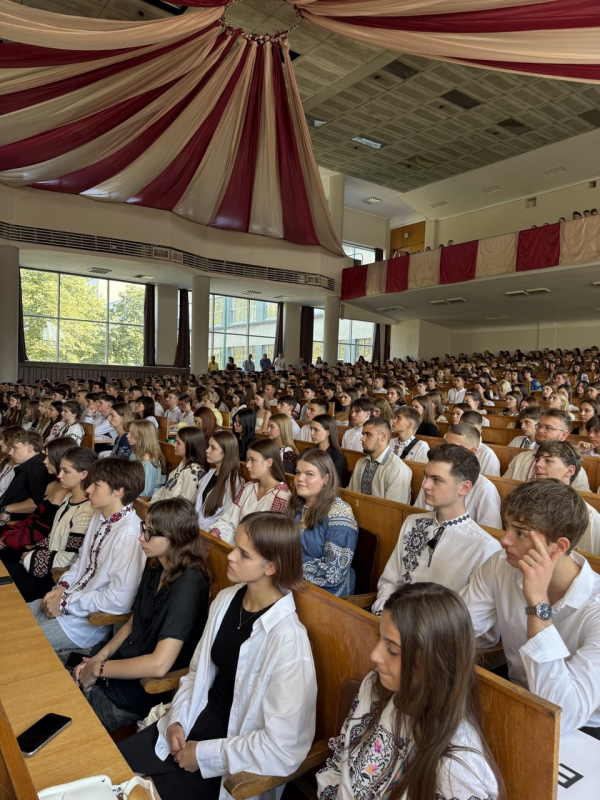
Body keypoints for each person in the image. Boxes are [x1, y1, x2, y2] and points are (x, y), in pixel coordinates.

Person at [118, 511, 316, 800]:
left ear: (271, 567)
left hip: (233, 752)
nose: (231, 556)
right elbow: (197, 673)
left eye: (243, 554)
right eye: (235, 546)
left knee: (138, 794)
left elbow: (282, 746)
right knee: (108, 769)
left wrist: (204, 755)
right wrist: (178, 721)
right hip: (195, 719)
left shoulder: (289, 640)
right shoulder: (226, 600)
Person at [317, 584, 503, 800]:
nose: (375, 655)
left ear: (434, 663)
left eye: (393, 650)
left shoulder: (457, 768)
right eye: (380, 637)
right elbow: (341, 762)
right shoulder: (374, 686)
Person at [461, 480, 600, 736]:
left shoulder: (596, 608)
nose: (504, 540)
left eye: (520, 533)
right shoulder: (501, 565)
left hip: (583, 729)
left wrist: (537, 603)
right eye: (507, 527)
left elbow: (563, 712)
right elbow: (460, 626)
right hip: (518, 698)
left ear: (559, 547)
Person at [75, 498, 210, 732]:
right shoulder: (158, 566)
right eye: (143, 529)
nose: (141, 538)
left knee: (66, 715)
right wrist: (101, 658)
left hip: (138, 692)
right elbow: (134, 621)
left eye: (150, 533)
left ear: (174, 538)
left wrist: (99, 669)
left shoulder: (189, 585)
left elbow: (159, 665)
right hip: (117, 670)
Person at [28, 458, 146, 660]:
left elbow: (119, 601)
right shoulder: (100, 516)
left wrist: (65, 603)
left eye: (96, 485)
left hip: (83, 626)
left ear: (118, 490)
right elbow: (81, 564)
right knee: (9, 618)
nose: (88, 489)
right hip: (68, 602)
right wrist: (60, 588)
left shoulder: (129, 534)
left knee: (17, 642)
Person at [373, 443, 501, 615]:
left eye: (437, 480)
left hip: (438, 636)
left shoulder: (484, 546)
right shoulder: (412, 523)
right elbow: (389, 581)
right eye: (426, 477)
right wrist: (384, 613)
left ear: (464, 488)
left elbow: (473, 618)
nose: (425, 485)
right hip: (395, 621)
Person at [6, 447, 97, 602]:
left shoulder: (86, 510)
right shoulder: (68, 499)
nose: (59, 475)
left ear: (83, 474)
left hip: (56, 577)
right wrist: (34, 551)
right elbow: (53, 537)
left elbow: (72, 556)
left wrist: (32, 557)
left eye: (66, 471)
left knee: (9, 580)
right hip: (46, 566)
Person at [289, 449, 358, 596]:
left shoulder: (340, 513)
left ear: (326, 478)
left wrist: (287, 558)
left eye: (309, 474)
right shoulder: (296, 505)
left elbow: (334, 572)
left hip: (327, 591)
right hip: (294, 578)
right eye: (297, 472)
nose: (300, 478)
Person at [0, 436, 76, 563]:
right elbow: (33, 519)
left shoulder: (64, 491)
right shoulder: (52, 485)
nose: (45, 461)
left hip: (36, 547)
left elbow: (42, 531)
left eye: (48, 457)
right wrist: (9, 534)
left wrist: (7, 539)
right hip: (28, 538)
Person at [209, 440, 291, 544]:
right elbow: (229, 519)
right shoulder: (248, 487)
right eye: (248, 460)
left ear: (269, 462)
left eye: (253, 460)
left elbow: (269, 538)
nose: (247, 465)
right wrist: (216, 532)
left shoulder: (282, 496)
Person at [532, 441, 600, 555]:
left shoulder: (590, 518)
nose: (538, 464)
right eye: (537, 459)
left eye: (548, 460)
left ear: (569, 470)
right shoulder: (528, 503)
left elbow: (590, 562)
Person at [504, 410, 590, 490]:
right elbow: (505, 487)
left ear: (563, 435)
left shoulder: (570, 468)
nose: (540, 430)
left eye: (548, 428)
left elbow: (580, 499)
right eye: (539, 426)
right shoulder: (520, 458)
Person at [349, 418, 411, 504]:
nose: (362, 439)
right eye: (363, 434)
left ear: (383, 437)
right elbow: (350, 495)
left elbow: (393, 511)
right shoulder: (360, 463)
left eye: (368, 434)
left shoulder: (398, 469)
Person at [0, 429, 54, 524]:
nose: (10, 452)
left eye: (15, 448)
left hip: (15, 523)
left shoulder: (37, 469)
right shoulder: (28, 466)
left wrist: (7, 509)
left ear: (29, 448)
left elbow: (37, 502)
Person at [196, 430, 245, 533]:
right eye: (208, 446)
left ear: (226, 452)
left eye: (213, 448)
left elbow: (227, 518)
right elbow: (199, 507)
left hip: (212, 534)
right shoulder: (210, 474)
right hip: (197, 528)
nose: (207, 450)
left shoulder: (235, 482)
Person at [151, 427, 207, 504]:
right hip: (161, 508)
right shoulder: (183, 463)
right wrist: (151, 504)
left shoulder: (193, 471)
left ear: (190, 446)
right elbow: (166, 489)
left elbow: (185, 504)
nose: (174, 445)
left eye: (178, 443)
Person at [127, 420, 166, 498]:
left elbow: (145, 493)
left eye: (131, 433)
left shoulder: (147, 459)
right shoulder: (136, 452)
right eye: (128, 432)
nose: (127, 435)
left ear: (142, 437)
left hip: (144, 499)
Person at [459, 411, 502, 477]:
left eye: (472, 432)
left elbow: (490, 482)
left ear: (479, 432)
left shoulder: (487, 454)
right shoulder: (451, 445)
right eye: (463, 430)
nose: (466, 435)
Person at [309, 413, 347, 484]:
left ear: (328, 432)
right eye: (311, 429)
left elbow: (334, 483)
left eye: (316, 430)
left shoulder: (338, 457)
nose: (311, 433)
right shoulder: (309, 452)